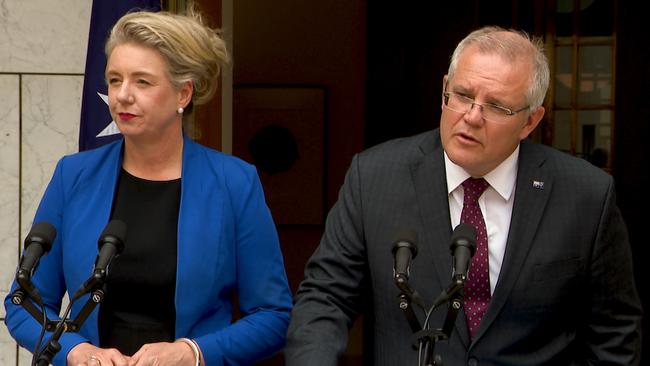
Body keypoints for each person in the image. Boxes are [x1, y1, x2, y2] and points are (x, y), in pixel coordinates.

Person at [285, 26, 642, 365]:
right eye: (463, 96)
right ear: (445, 90)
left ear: (530, 121)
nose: (472, 117)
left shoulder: (585, 195)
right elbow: (325, 299)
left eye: (497, 106)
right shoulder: (375, 177)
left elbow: (614, 332)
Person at [4, 7, 292, 366]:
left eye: (142, 81)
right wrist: (76, 352)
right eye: (114, 80)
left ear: (183, 94)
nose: (122, 95)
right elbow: (23, 305)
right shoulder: (73, 176)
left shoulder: (234, 183)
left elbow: (273, 316)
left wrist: (194, 353)